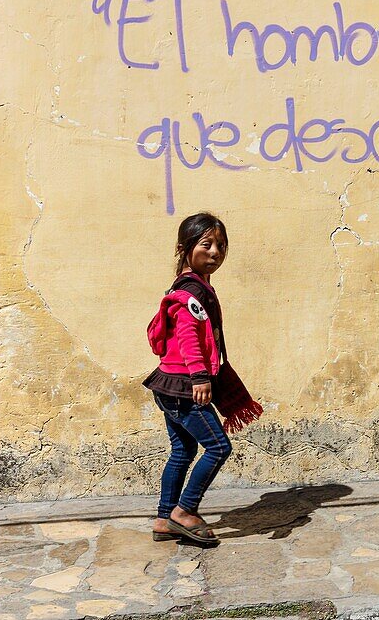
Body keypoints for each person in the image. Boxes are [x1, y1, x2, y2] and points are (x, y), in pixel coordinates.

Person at [144, 212, 233, 545]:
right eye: (206, 244)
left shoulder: (195, 286)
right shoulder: (191, 291)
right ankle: (185, 510)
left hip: (168, 384)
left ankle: (165, 519)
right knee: (218, 446)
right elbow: (188, 336)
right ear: (184, 248)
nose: (215, 252)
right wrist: (200, 377)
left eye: (221, 246)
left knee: (182, 451)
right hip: (184, 385)